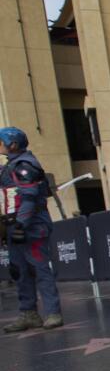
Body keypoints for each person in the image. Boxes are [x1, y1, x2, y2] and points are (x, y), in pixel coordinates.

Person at [0, 127, 62, 332]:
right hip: (14, 225)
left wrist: (21, 224)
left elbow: (30, 197)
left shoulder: (25, 164)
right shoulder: (10, 166)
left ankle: (52, 312)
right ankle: (28, 313)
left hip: (32, 226)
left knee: (40, 268)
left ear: (13, 144)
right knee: (19, 271)